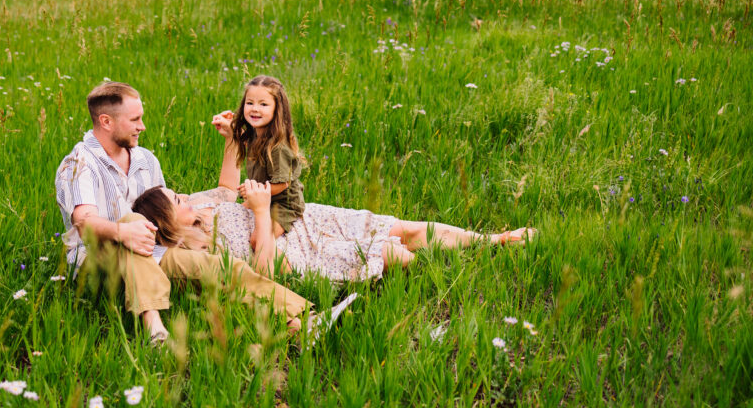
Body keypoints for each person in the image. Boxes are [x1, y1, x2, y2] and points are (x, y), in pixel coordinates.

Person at [54, 82, 339, 345]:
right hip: (102, 253)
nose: (142, 126)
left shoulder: (143, 158)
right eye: (135, 120)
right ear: (106, 121)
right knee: (132, 221)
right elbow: (84, 222)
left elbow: (164, 210)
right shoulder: (80, 164)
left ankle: (303, 320)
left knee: (225, 267)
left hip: (153, 249)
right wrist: (122, 232)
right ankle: (153, 325)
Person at [132, 110, 537, 283]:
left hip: (306, 220)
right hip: (300, 251)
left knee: (401, 227)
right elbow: (265, 271)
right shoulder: (202, 251)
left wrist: (229, 142)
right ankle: (452, 279)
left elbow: (224, 189)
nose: (185, 196)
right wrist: (257, 211)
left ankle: (492, 242)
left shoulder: (203, 208)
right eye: (177, 200)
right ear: (169, 223)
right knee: (395, 254)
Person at [231, 76, 305, 239]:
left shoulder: (278, 147)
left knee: (259, 240)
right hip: (262, 197)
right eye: (250, 103)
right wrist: (228, 124)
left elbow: (282, 184)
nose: (255, 109)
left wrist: (253, 191)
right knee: (231, 217)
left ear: (277, 109)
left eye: (263, 104)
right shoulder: (254, 134)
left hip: (283, 204)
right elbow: (240, 139)